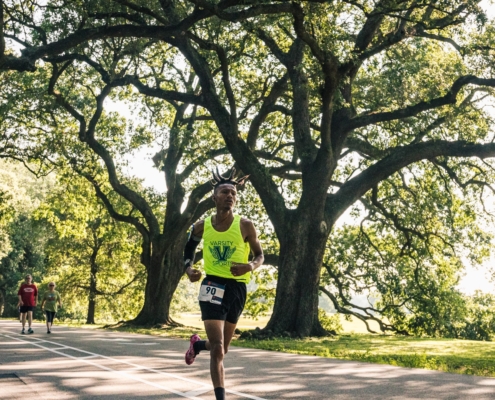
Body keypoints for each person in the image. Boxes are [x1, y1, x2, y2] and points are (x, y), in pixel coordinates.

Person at [183, 167, 264, 400]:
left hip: (237, 288)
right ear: (214, 197)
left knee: (223, 348)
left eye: (234, 193)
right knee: (217, 348)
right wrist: (188, 268)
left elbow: (259, 256)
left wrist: (249, 266)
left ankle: (197, 346)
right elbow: (189, 248)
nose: (230, 196)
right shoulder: (201, 225)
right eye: (225, 192)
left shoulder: (246, 225)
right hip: (211, 285)